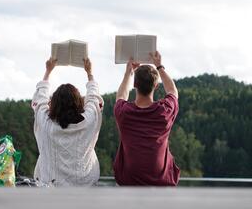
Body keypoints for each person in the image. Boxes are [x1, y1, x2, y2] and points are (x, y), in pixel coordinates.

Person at [31, 57, 104, 186]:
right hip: (84, 188)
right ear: (79, 103)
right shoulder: (88, 122)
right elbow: (93, 99)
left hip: (50, 189)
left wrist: (48, 71)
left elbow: (40, 99)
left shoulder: (46, 124)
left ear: (53, 104)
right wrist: (89, 73)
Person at [113, 51, 180, 186]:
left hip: (129, 183)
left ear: (135, 85)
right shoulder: (164, 111)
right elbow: (173, 91)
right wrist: (159, 66)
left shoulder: (124, 112)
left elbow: (121, 96)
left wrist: (128, 73)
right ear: (155, 86)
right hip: (161, 184)